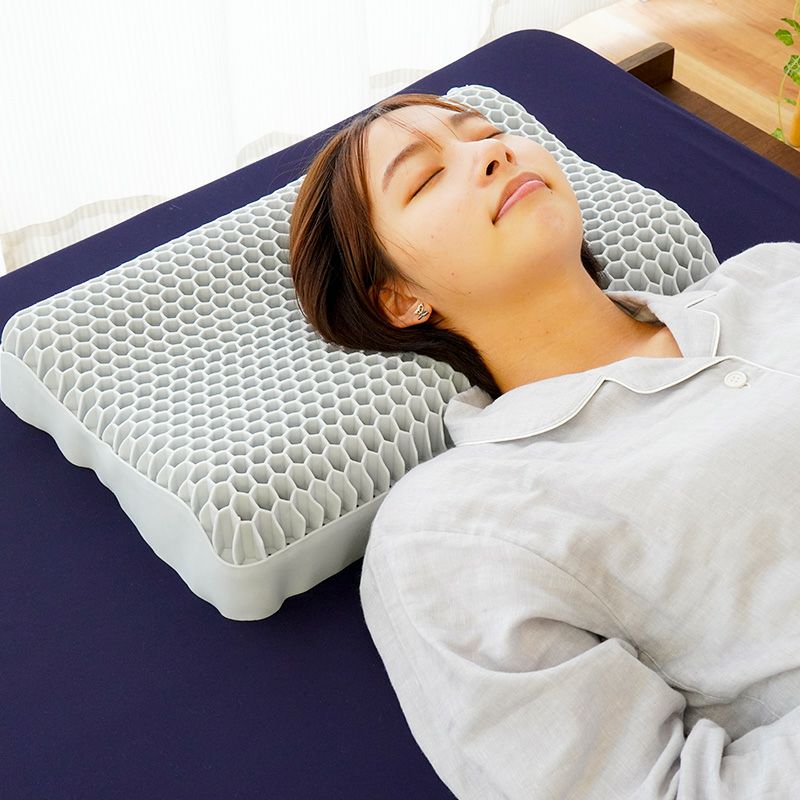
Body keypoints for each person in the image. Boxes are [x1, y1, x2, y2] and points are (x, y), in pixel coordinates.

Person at [289, 91, 800, 798]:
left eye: (486, 133)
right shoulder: (454, 529)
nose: (491, 153)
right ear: (400, 298)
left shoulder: (776, 276)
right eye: (426, 178)